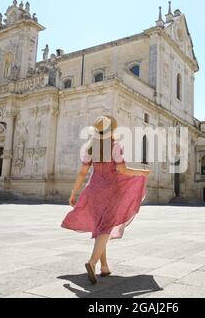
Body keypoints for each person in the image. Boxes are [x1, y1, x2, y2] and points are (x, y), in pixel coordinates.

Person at [61, 115, 150, 285]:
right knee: (106, 227)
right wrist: (141, 172)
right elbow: (122, 169)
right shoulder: (115, 146)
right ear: (111, 131)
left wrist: (74, 192)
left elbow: (82, 173)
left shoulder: (89, 149)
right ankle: (92, 262)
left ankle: (104, 267)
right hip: (111, 191)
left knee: (100, 227)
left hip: (92, 190)